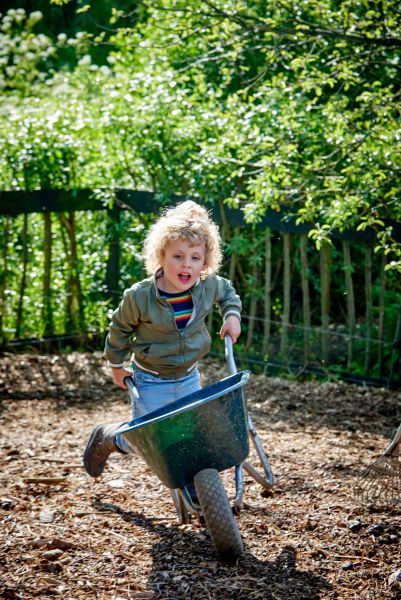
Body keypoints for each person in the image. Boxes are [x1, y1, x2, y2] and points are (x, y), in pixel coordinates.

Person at [83, 200, 241, 478]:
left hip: (188, 375)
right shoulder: (140, 296)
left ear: (205, 261)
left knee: (188, 438)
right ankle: (109, 437)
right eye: (177, 256)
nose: (186, 265)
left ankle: (198, 490)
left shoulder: (207, 286)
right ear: (161, 256)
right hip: (150, 379)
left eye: (195, 257)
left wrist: (232, 316)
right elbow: (119, 328)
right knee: (150, 443)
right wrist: (117, 365)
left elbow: (228, 294)